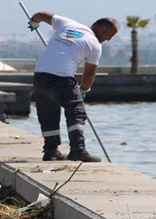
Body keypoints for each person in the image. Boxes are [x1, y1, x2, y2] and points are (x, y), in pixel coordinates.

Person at [28, 12, 119, 162]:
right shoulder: (94, 45)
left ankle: (51, 152)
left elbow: (40, 15)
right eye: (111, 34)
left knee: (48, 113)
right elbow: (88, 75)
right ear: (102, 28)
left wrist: (33, 22)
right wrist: (84, 90)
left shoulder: (68, 23)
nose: (109, 39)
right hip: (62, 77)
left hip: (40, 75)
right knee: (76, 112)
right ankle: (78, 150)